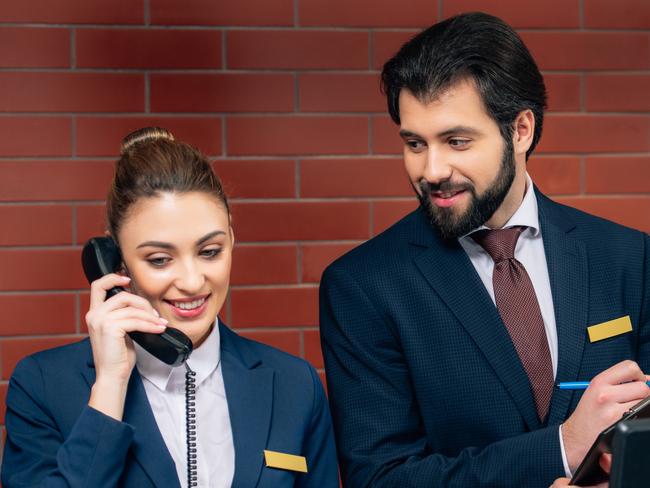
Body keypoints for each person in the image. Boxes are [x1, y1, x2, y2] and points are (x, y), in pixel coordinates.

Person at [319, 12, 650, 488]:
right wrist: (563, 446)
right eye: (415, 143)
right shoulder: (363, 286)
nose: (431, 169)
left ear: (520, 131)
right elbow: (380, 479)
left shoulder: (628, 258)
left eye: (456, 141)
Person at [2, 127, 338, 488]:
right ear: (116, 262)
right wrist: (110, 387)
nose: (192, 281)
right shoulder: (43, 385)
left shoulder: (294, 384)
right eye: (160, 259)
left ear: (232, 240)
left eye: (210, 252)